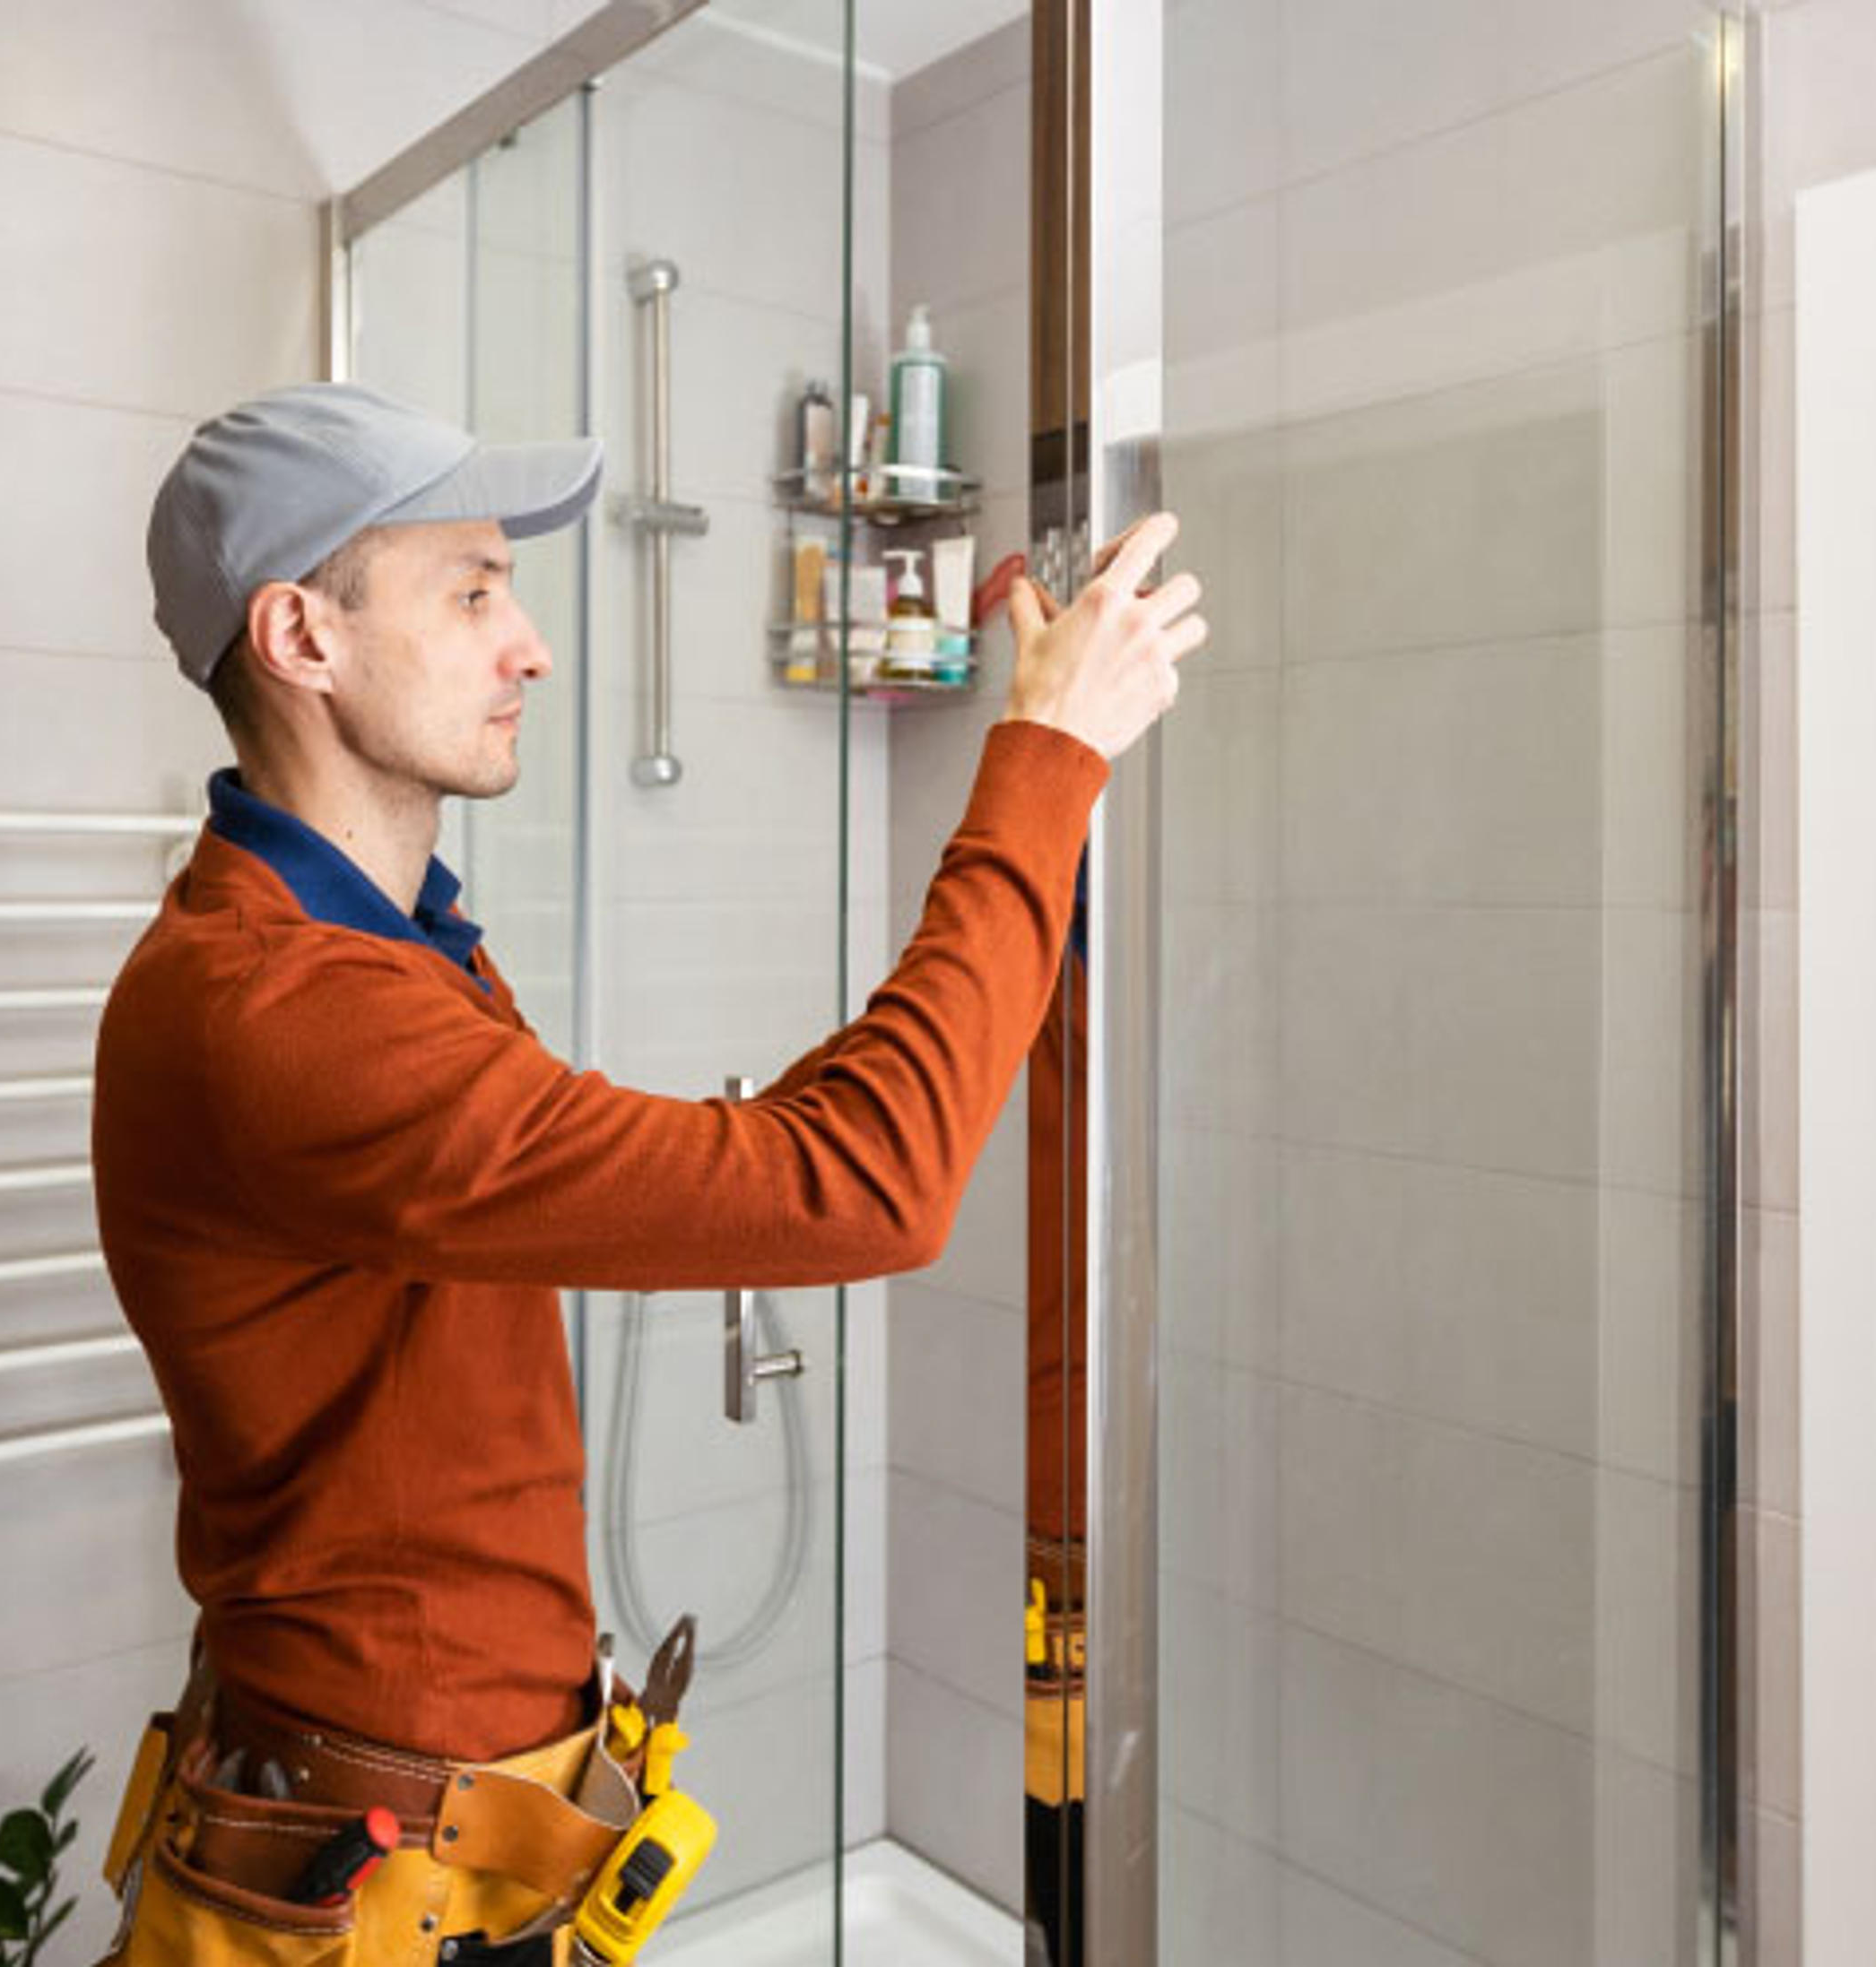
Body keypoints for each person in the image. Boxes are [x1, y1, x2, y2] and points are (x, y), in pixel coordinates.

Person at [91, 382, 1201, 1964]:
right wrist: (1041, 758)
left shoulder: (385, 955)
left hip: (439, 1843)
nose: (529, 643)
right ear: (300, 637)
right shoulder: (287, 1012)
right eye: (472, 592)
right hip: (364, 1898)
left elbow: (782, 1164)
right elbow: (864, 1188)